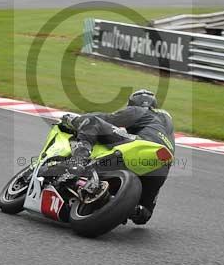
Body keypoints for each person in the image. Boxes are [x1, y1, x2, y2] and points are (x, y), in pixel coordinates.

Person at [59, 89, 174, 225]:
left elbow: (108, 118)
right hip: (163, 163)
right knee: (145, 211)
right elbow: (143, 220)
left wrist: (76, 120)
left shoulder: (140, 111)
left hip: (142, 144)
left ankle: (78, 161)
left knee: (93, 122)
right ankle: (133, 209)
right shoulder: (166, 124)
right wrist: (130, 208)